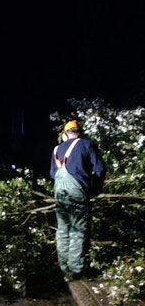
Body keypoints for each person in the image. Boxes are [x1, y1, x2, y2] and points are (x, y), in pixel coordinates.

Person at [50, 119, 106, 280]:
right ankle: (76, 270)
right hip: (77, 191)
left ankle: (64, 267)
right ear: (78, 132)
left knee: (63, 229)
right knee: (78, 230)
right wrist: (95, 189)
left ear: (65, 134)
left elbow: (53, 174)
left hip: (59, 192)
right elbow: (100, 169)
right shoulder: (87, 145)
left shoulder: (56, 150)